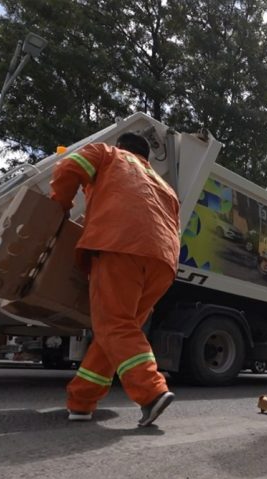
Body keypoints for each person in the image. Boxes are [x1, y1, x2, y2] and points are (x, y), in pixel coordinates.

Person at [50, 132, 181, 426]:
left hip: (120, 245)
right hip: (163, 261)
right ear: (147, 157)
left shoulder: (108, 154)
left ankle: (152, 393)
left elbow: (69, 166)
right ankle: (81, 401)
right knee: (117, 331)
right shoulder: (165, 186)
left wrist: (59, 206)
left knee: (114, 325)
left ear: (121, 146)